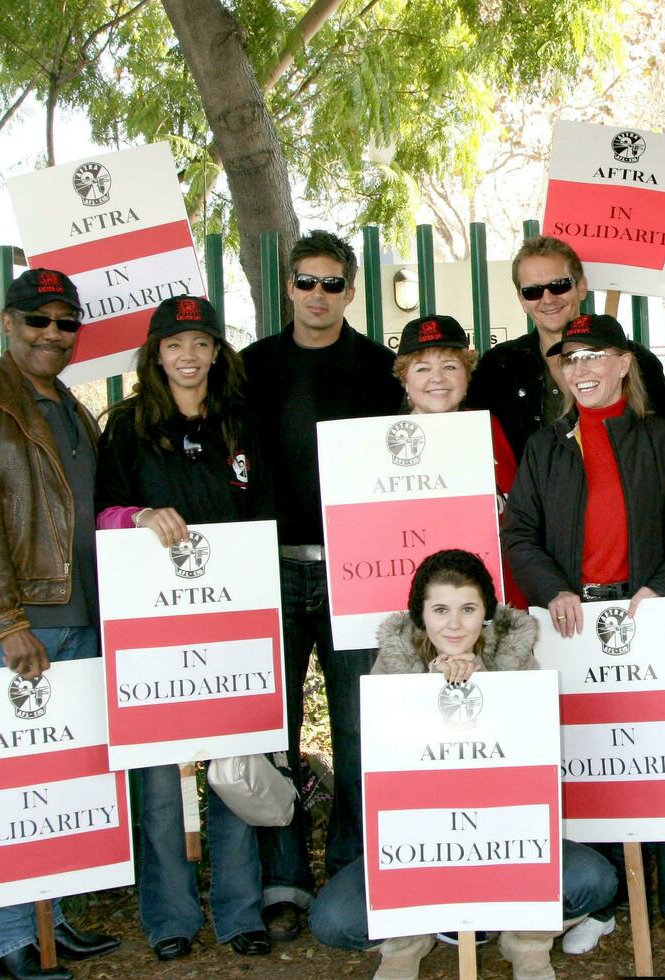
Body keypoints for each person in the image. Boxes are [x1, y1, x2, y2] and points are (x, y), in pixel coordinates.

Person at [500, 312, 665, 957]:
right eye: (571, 359)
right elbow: (519, 536)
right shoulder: (545, 446)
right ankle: (602, 905)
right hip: (573, 621)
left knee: (663, 760)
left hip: (651, 616)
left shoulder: (664, 439)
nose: (582, 369)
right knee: (588, 762)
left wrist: (662, 587)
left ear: (624, 363)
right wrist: (552, 591)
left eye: (595, 356)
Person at [308, 549, 619, 980]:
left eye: (468, 609)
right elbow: (382, 767)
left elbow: (538, 755)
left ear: (485, 613)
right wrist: (427, 691)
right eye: (440, 610)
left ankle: (524, 939)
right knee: (333, 920)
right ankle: (409, 940)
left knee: (596, 880)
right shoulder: (391, 666)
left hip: (503, 843)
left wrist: (488, 685)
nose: (454, 624)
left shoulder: (516, 659)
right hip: (422, 847)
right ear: (420, 615)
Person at [0, 268, 121, 980]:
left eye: (64, 323)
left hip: (79, 617)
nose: (51, 334)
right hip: (17, 625)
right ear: (8, 322)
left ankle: (53, 920)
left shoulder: (70, 406)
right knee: (5, 781)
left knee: (60, 781)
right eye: (36, 320)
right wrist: (4, 618)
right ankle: (8, 937)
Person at [92, 295, 271, 962]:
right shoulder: (128, 427)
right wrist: (136, 517)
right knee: (161, 786)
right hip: (152, 629)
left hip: (233, 619)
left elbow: (265, 513)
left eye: (201, 343)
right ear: (156, 353)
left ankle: (239, 912)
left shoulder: (239, 422)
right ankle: (170, 918)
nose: (189, 356)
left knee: (233, 771)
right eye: (176, 345)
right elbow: (101, 513)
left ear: (217, 351)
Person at [240, 229, 403, 939]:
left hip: (354, 569)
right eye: (305, 282)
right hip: (269, 565)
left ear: (351, 289)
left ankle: (348, 869)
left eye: (332, 283)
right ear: (288, 288)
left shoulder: (379, 368)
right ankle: (282, 880)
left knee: (358, 729)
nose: (317, 295)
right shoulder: (249, 368)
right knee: (269, 730)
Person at [465, 235, 665, 461]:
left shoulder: (638, 360)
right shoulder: (498, 366)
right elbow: (469, 439)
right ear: (522, 300)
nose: (548, 298)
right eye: (532, 291)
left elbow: (664, 448)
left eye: (559, 286)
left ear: (581, 288)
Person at [391, 313, 524, 608]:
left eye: (450, 366)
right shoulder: (381, 443)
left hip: (491, 598)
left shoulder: (490, 428)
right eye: (422, 368)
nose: (437, 378)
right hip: (415, 605)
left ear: (467, 374)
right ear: (405, 379)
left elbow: (516, 511)